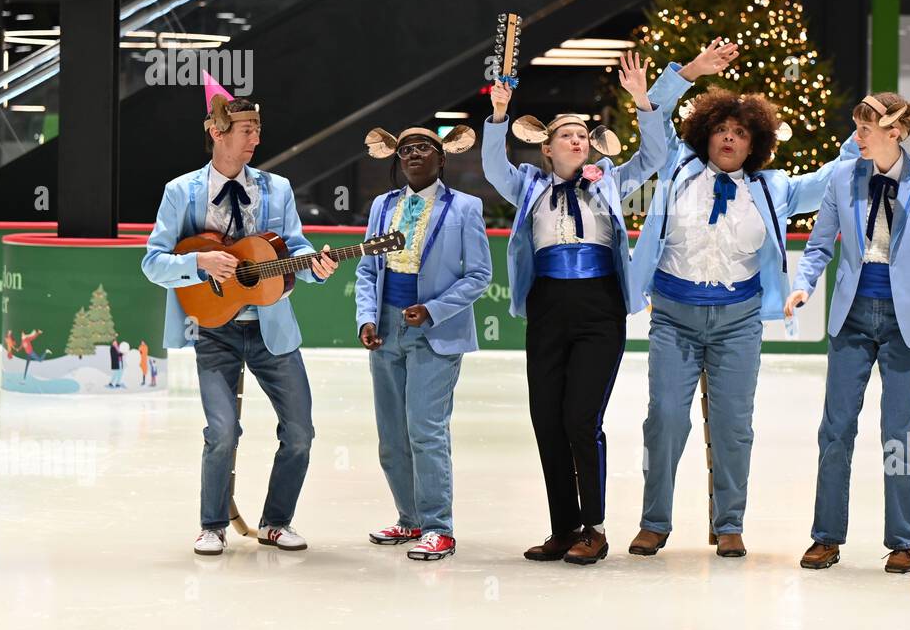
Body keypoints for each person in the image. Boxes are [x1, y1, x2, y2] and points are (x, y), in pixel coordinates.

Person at [627, 42, 860, 559]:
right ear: (705, 135)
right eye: (720, 130)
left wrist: (861, 133)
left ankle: (728, 523)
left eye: (740, 132)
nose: (729, 138)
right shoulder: (676, 169)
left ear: (754, 144)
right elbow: (654, 112)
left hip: (738, 322)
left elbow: (830, 180)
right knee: (664, 417)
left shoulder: (772, 187)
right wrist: (688, 72)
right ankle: (654, 521)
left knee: (735, 426)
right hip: (673, 316)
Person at [481, 50, 673, 565]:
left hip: (598, 307)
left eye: (583, 135)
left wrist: (642, 102)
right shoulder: (528, 186)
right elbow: (492, 165)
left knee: (579, 418)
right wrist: (498, 114)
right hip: (547, 305)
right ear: (546, 148)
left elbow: (654, 158)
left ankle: (595, 524)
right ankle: (563, 527)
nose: (577, 140)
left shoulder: (608, 180)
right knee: (546, 418)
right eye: (566, 134)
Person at [141, 73, 338, 556]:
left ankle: (276, 521)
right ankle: (212, 524)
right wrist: (198, 262)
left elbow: (294, 249)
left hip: (272, 331)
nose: (256, 138)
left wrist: (318, 268)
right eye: (246, 129)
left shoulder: (277, 189)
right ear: (217, 131)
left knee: (300, 432)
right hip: (215, 329)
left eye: (257, 129)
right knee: (222, 431)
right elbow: (153, 262)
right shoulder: (181, 192)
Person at [785, 92, 910, 574]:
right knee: (836, 429)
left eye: (866, 128)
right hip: (851, 317)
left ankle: (905, 540)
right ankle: (826, 536)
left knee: (900, 433)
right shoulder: (843, 177)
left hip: (905, 322)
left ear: (897, 132)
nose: (857, 135)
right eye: (856, 125)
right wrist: (803, 285)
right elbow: (819, 244)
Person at [355, 123, 491, 563]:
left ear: (441, 159)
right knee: (392, 436)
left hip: (435, 331)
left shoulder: (465, 208)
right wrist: (367, 317)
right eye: (407, 149)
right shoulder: (382, 206)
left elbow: (479, 275)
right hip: (387, 331)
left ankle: (438, 528)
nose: (414, 154)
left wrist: (433, 309)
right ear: (398, 159)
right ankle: (409, 517)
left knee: (425, 431)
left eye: (424, 148)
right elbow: (367, 270)